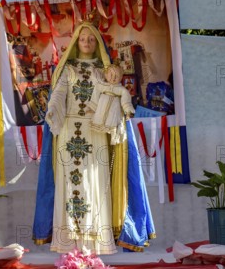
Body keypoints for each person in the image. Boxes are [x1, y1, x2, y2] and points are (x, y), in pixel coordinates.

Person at [33, 21, 155, 255]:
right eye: (82, 39)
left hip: (96, 132)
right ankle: (70, 245)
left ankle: (94, 244)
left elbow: (114, 96)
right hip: (69, 131)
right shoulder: (67, 69)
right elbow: (59, 93)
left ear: (97, 43)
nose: (87, 43)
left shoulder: (104, 69)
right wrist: (53, 107)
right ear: (76, 42)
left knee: (95, 184)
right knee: (69, 184)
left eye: (91, 39)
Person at [88, 61, 134, 144]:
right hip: (101, 107)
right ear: (106, 75)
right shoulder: (102, 85)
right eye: (111, 75)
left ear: (121, 78)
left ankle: (110, 140)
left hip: (114, 109)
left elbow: (126, 100)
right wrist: (93, 107)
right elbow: (96, 92)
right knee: (99, 123)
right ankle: (99, 141)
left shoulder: (122, 90)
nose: (113, 78)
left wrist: (128, 111)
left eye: (116, 76)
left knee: (112, 123)